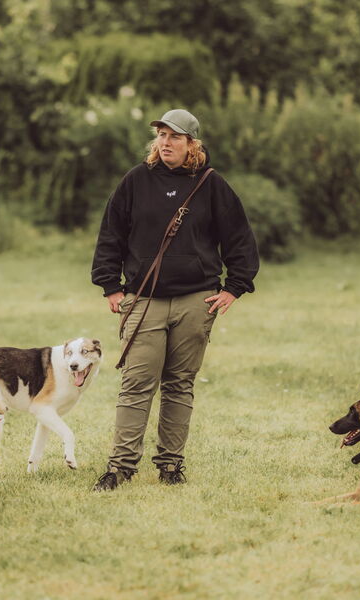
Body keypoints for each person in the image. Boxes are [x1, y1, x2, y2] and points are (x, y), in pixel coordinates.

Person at [91, 108, 259, 490]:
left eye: (175, 137)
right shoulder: (136, 181)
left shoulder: (213, 185)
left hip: (196, 300)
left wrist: (234, 287)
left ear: (192, 145)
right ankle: (119, 468)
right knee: (136, 383)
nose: (166, 142)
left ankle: (170, 466)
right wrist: (111, 285)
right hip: (144, 299)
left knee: (180, 384)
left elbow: (239, 239)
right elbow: (111, 235)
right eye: (162, 136)